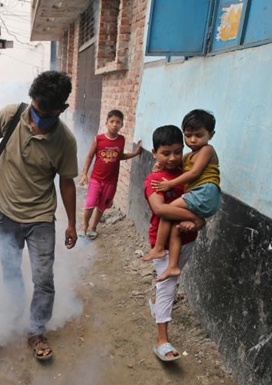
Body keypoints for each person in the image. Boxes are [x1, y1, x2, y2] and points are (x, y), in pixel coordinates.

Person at [0, 71, 78, 362]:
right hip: (5, 214)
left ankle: (36, 331)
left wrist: (73, 224)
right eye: (35, 107)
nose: (36, 116)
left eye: (45, 112)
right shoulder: (11, 115)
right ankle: (13, 317)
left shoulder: (65, 142)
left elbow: (66, 182)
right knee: (11, 270)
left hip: (40, 218)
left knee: (43, 279)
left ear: (61, 110)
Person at [142, 109, 220, 282]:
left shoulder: (207, 150)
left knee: (167, 211)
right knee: (176, 225)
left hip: (205, 192)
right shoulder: (190, 155)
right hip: (199, 194)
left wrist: (169, 184)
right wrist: (159, 165)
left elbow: (193, 174)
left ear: (211, 134)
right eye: (188, 135)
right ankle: (172, 266)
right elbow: (176, 162)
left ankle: (159, 248)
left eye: (198, 135)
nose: (193, 140)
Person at [143, 125, 199, 362]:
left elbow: (201, 199)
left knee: (171, 282)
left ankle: (156, 303)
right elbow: (159, 208)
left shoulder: (189, 172)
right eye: (166, 153)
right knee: (169, 286)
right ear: (154, 152)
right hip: (163, 244)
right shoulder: (155, 179)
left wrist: (197, 223)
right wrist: (196, 218)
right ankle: (162, 340)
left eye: (178, 151)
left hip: (187, 239)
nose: (173, 158)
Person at [78, 109, 142, 240]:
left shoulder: (121, 140)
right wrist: (85, 174)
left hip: (111, 182)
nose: (114, 125)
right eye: (112, 121)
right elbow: (90, 157)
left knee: (102, 206)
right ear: (106, 122)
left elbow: (120, 156)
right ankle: (84, 225)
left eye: (118, 122)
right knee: (90, 202)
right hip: (96, 179)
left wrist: (135, 153)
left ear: (122, 125)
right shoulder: (99, 139)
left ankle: (93, 227)